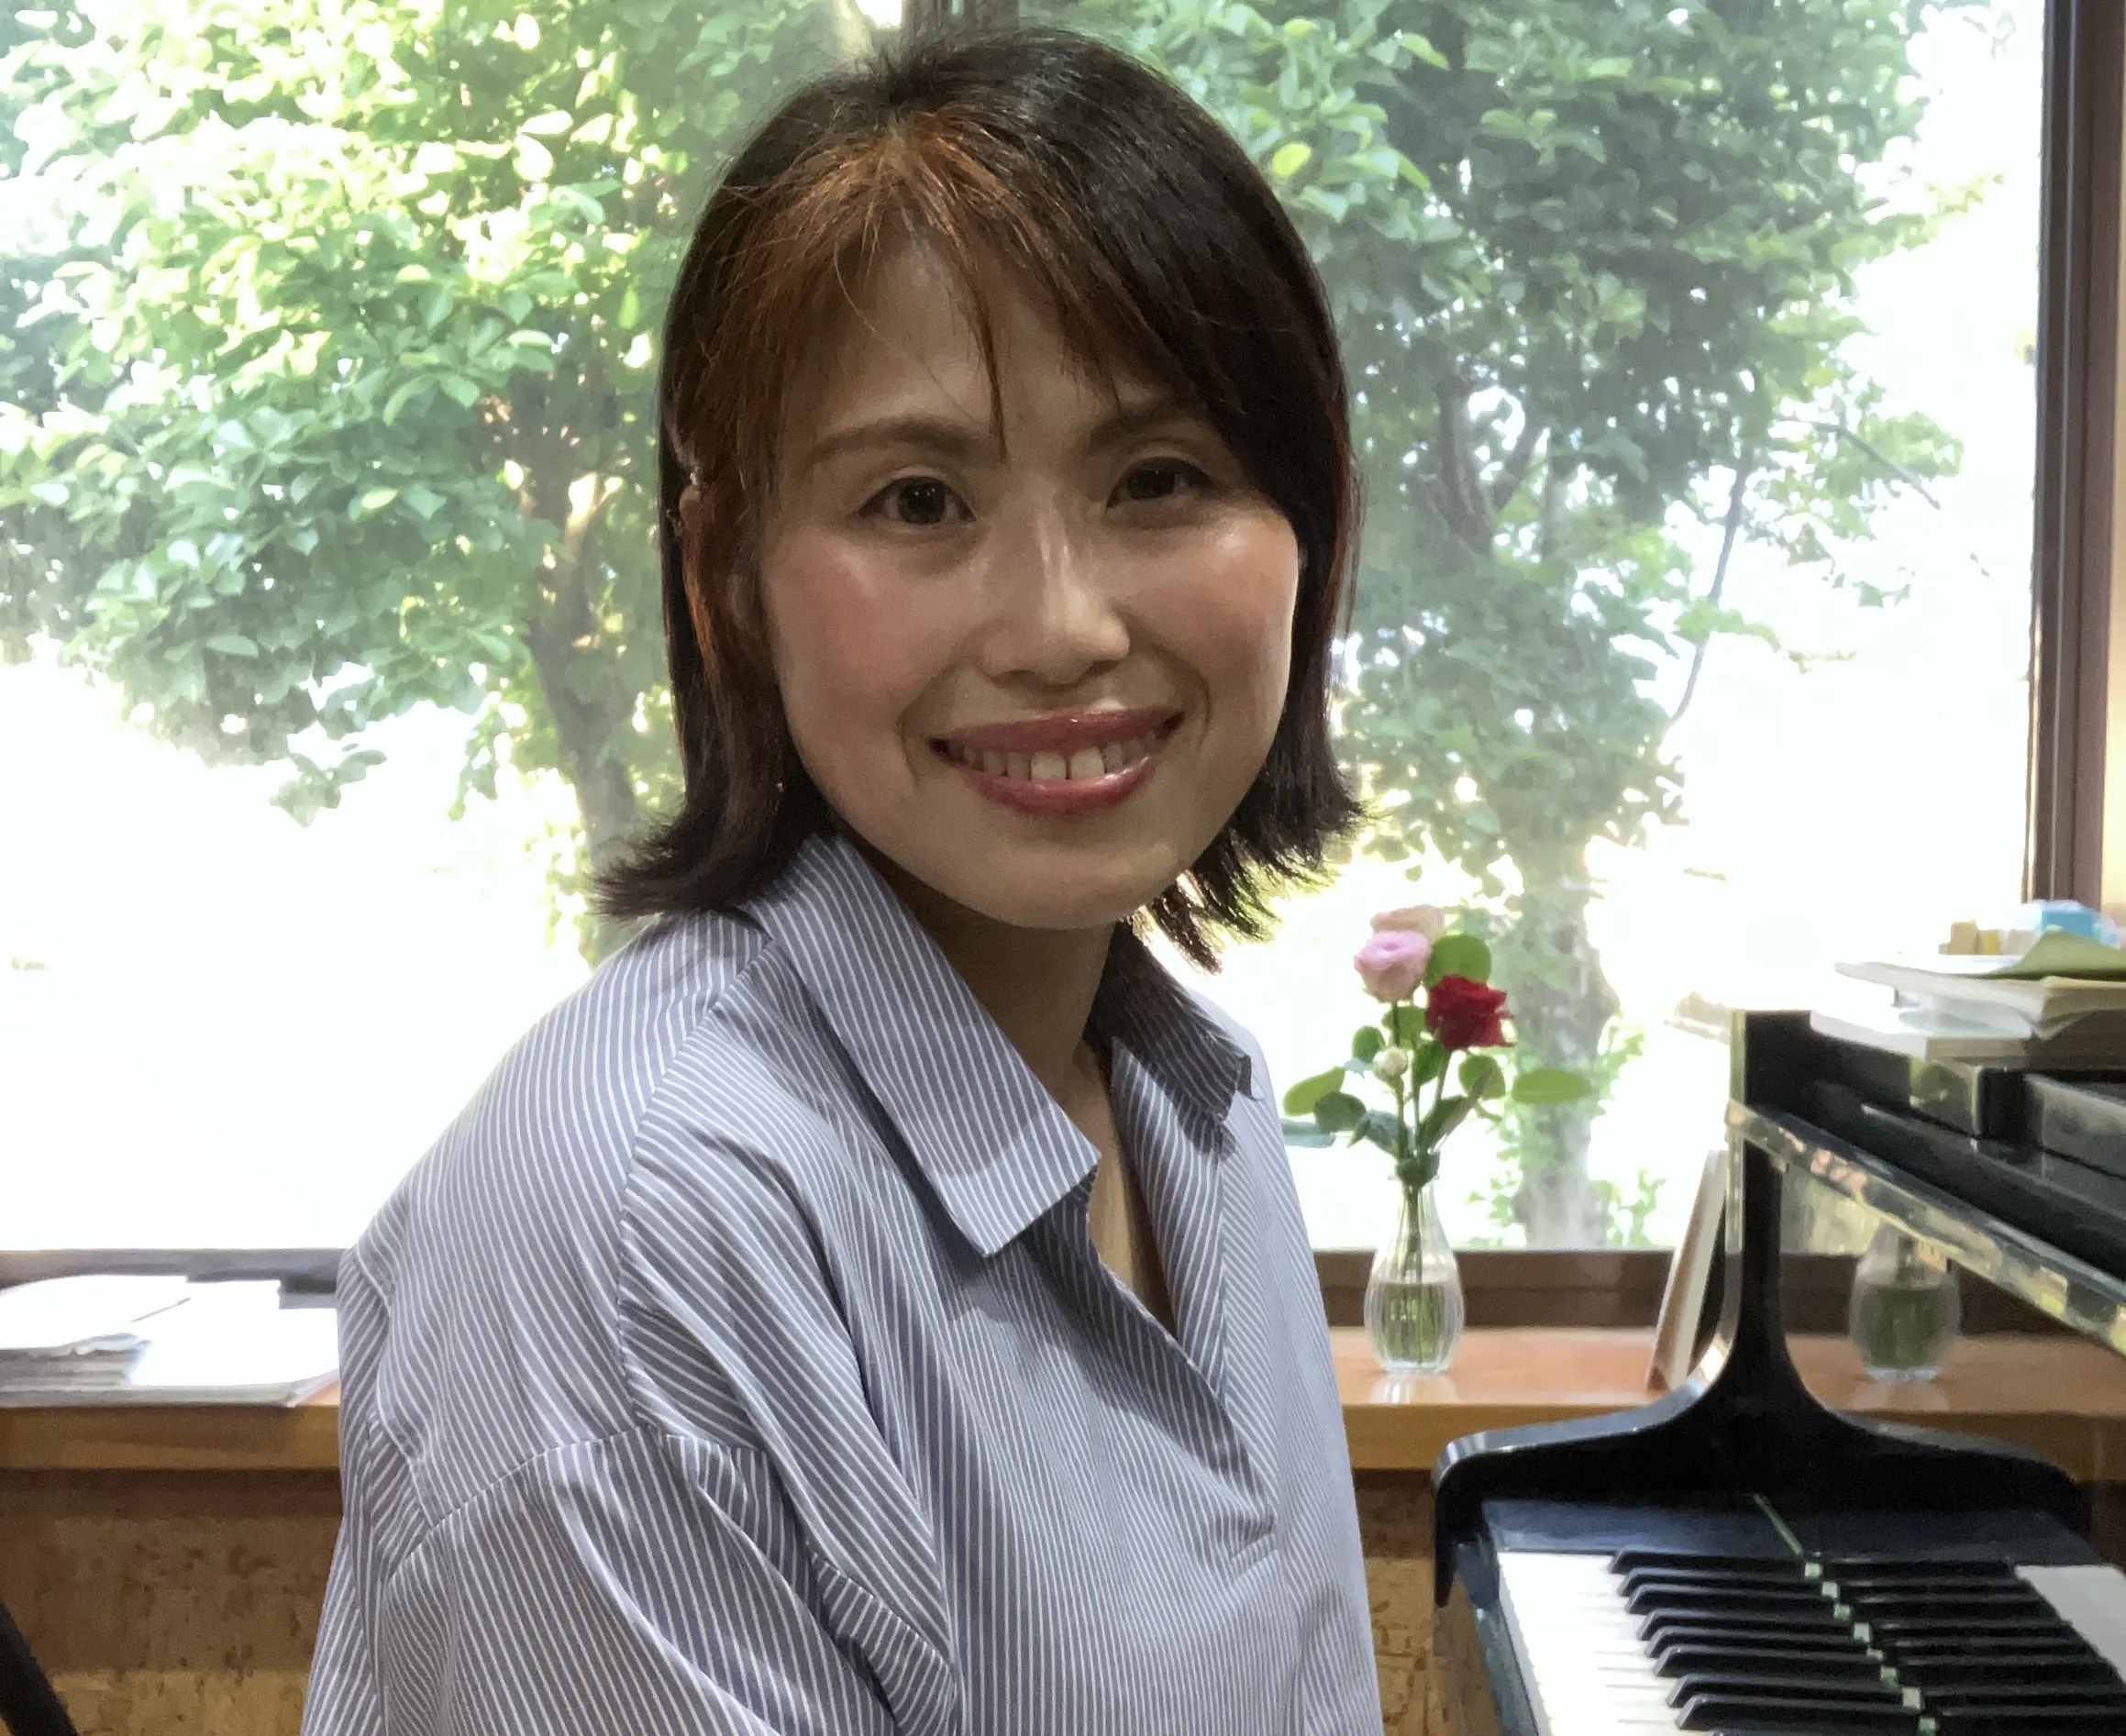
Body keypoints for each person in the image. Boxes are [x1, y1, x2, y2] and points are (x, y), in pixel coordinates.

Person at [305, 22, 1380, 1734]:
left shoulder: (1202, 1102)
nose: (1058, 628)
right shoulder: (636, 1247)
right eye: (917, 500)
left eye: (1159, 479)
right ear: (728, 580)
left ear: (1305, 529)